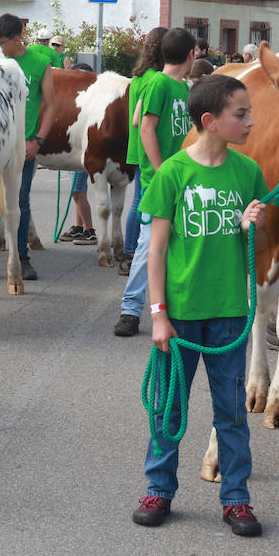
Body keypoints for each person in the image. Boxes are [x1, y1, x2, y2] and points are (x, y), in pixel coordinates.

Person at [131, 73, 269, 536]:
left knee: (230, 411)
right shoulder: (173, 173)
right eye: (241, 113)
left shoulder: (248, 172)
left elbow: (258, 244)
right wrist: (157, 315)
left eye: (248, 112)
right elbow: (156, 250)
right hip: (180, 315)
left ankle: (236, 498)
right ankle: (159, 488)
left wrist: (254, 224)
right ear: (210, 121)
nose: (250, 121)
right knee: (169, 409)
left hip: (230, 312)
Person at [114, 28, 194, 337]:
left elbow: (138, 119)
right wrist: (161, 170)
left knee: (174, 246)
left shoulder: (183, 89)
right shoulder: (159, 83)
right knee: (150, 246)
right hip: (158, 179)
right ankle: (130, 310)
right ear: (191, 55)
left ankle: (171, 309)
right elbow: (144, 126)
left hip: (180, 180)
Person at [0, 13, 57, 283]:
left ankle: (21, 256)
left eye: (2, 42)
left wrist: (38, 140)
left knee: (19, 201)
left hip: (23, 145)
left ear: (17, 38)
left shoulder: (40, 62)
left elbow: (50, 104)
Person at [117, 27, 168, 280]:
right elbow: (140, 119)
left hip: (137, 146)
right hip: (147, 148)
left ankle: (129, 252)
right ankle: (129, 253)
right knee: (140, 202)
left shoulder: (139, 76)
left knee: (138, 201)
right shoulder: (154, 79)